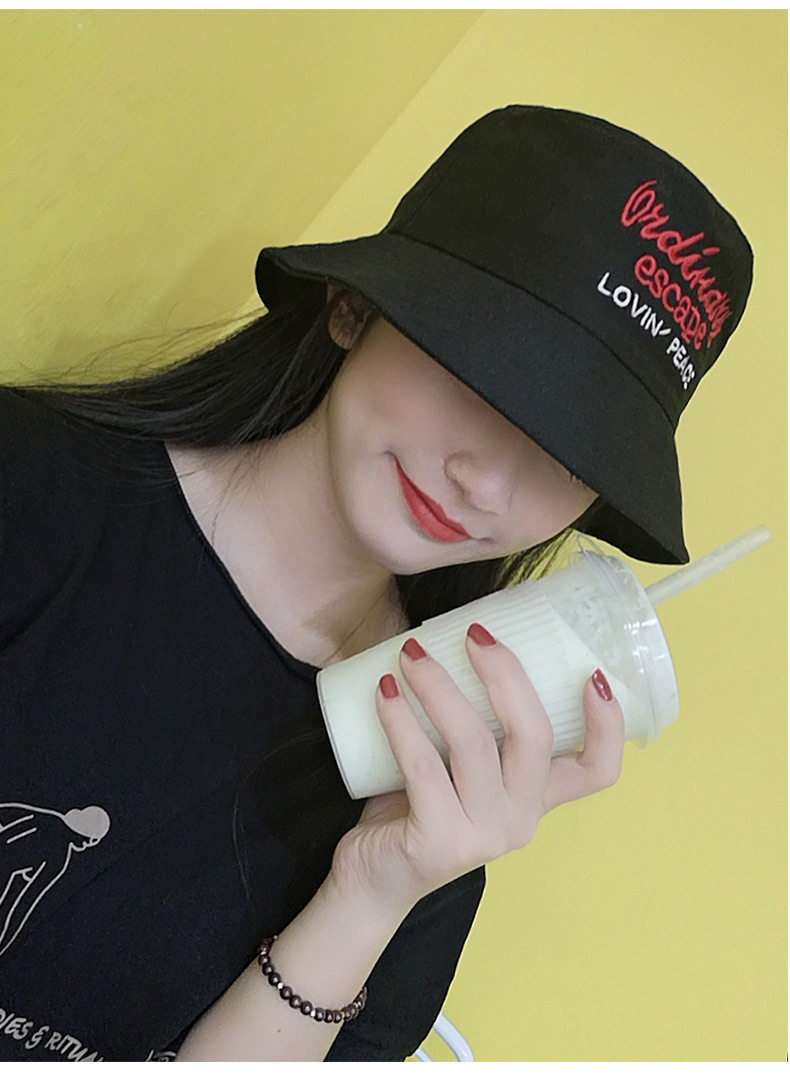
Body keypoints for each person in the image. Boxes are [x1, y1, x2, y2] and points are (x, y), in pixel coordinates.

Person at [0, 105, 752, 1061]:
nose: (489, 485)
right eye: (483, 374)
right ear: (352, 307)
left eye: (571, 455)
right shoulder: (29, 493)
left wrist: (374, 890)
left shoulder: (435, 801)